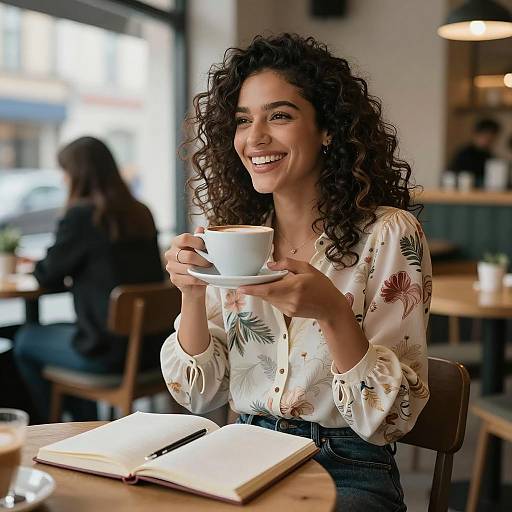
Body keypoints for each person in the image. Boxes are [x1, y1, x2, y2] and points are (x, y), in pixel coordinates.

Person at [161, 34, 431, 511]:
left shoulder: (388, 234)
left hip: (346, 461)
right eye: (243, 120)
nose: (255, 137)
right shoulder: (236, 243)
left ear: (328, 129)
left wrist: (332, 313)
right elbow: (199, 395)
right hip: (240, 450)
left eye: (279, 116)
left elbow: (390, 420)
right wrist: (191, 293)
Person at [14, 136, 164, 423]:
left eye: (65, 172)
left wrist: (36, 265)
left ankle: (52, 427)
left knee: (25, 339)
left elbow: (47, 274)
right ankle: (84, 422)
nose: (62, 180)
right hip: (151, 351)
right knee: (61, 330)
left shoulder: (82, 216)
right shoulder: (141, 212)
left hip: (108, 356)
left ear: (77, 175)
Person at [449, 118, 501, 187]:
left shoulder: (490, 156)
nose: (488, 140)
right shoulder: (464, 154)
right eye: (485, 135)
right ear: (476, 134)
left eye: (492, 137)